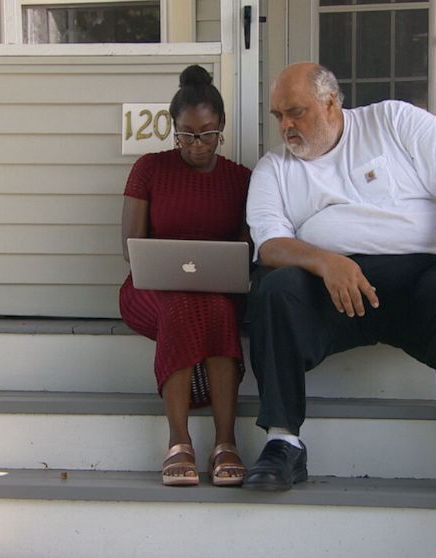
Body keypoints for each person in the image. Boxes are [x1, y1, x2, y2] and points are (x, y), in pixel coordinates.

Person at [242, 62, 436, 505]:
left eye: (296, 111)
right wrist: (327, 262)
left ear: (332, 103)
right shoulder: (274, 169)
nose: (286, 125)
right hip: (330, 292)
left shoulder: (391, 120)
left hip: (419, 283)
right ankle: (283, 442)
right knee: (274, 288)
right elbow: (271, 243)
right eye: (278, 115)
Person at [119, 65, 251, 487]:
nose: (197, 144)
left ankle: (225, 442)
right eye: (187, 134)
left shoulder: (241, 179)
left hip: (215, 292)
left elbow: (247, 250)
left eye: (207, 133)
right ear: (173, 130)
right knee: (180, 307)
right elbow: (129, 247)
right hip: (151, 289)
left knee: (217, 308)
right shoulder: (149, 169)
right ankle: (180, 441)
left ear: (222, 126)